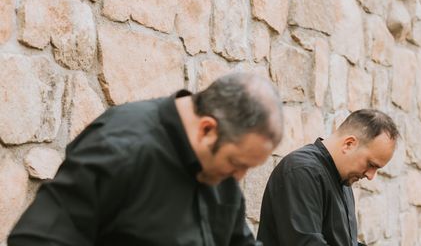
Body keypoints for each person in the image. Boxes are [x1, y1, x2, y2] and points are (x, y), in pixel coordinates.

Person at [8, 72, 283, 246]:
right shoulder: (121, 147)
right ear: (207, 130)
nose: (239, 178)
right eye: (237, 164)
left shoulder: (221, 172)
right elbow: (35, 239)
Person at [257, 109, 399, 246]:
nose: (370, 175)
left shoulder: (343, 179)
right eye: (370, 164)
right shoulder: (303, 171)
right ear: (349, 144)